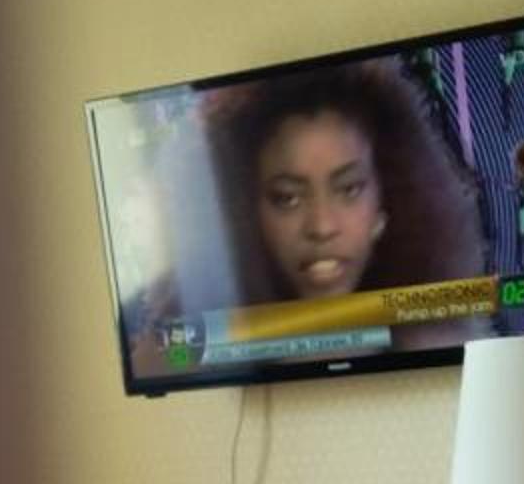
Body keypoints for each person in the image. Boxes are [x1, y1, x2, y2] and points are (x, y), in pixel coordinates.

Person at [206, 59, 488, 349]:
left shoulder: (440, 339)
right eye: (287, 198)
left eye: (349, 189)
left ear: (387, 199)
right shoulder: (206, 345)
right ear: (244, 212)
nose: (322, 227)